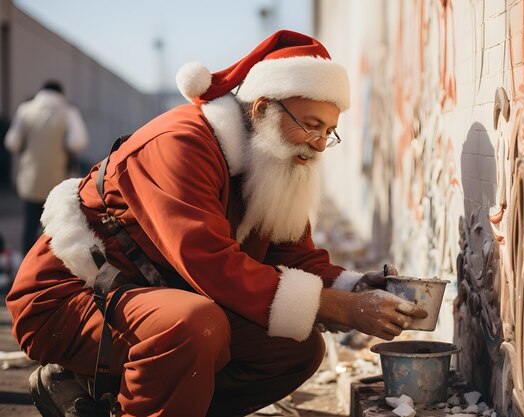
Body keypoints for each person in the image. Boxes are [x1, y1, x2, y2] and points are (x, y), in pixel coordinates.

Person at [6, 30, 426, 417]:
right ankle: (104, 387)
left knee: (295, 349)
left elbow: (296, 258)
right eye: (310, 125)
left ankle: (110, 398)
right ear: (262, 108)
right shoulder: (181, 143)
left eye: (329, 131)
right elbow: (207, 261)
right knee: (193, 325)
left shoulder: (276, 159)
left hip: (152, 297)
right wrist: (343, 309)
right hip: (68, 298)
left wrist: (355, 290)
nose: (318, 144)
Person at [4, 80, 89, 254]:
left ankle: (26, 265)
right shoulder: (69, 112)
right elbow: (78, 142)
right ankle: (51, 269)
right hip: (58, 182)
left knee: (29, 225)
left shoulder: (25, 110)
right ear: (61, 94)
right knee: (55, 230)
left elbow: (12, 143)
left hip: (31, 182)